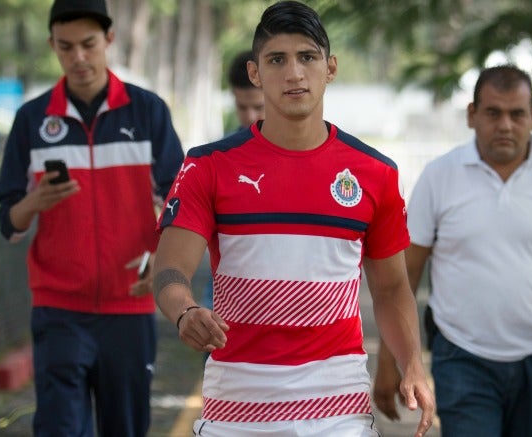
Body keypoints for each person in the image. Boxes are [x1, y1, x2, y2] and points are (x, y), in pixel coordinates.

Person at [152, 1, 435, 436]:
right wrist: (185, 311)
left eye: (307, 57)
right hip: (237, 406)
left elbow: (392, 287)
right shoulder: (207, 165)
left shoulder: (375, 173)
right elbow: (170, 269)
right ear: (255, 73)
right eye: (277, 60)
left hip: (338, 407)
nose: (294, 73)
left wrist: (411, 363)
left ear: (331, 68)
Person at [373, 64, 532, 437]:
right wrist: (391, 361)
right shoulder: (440, 177)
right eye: (493, 113)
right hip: (462, 356)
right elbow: (405, 274)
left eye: (517, 114)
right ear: (472, 115)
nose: (506, 125)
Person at [0, 0, 184, 435]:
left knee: (126, 427)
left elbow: (179, 200)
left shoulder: (148, 111)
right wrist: (34, 202)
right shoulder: (31, 120)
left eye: (88, 44)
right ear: (52, 47)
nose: (78, 57)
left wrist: (162, 257)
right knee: (60, 428)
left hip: (129, 307)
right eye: (66, 47)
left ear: (109, 40)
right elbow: (8, 222)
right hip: (58, 309)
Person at [201, 49, 266, 310]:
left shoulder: (309, 155)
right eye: (242, 107)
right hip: (224, 305)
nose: (250, 117)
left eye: (259, 107)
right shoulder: (215, 159)